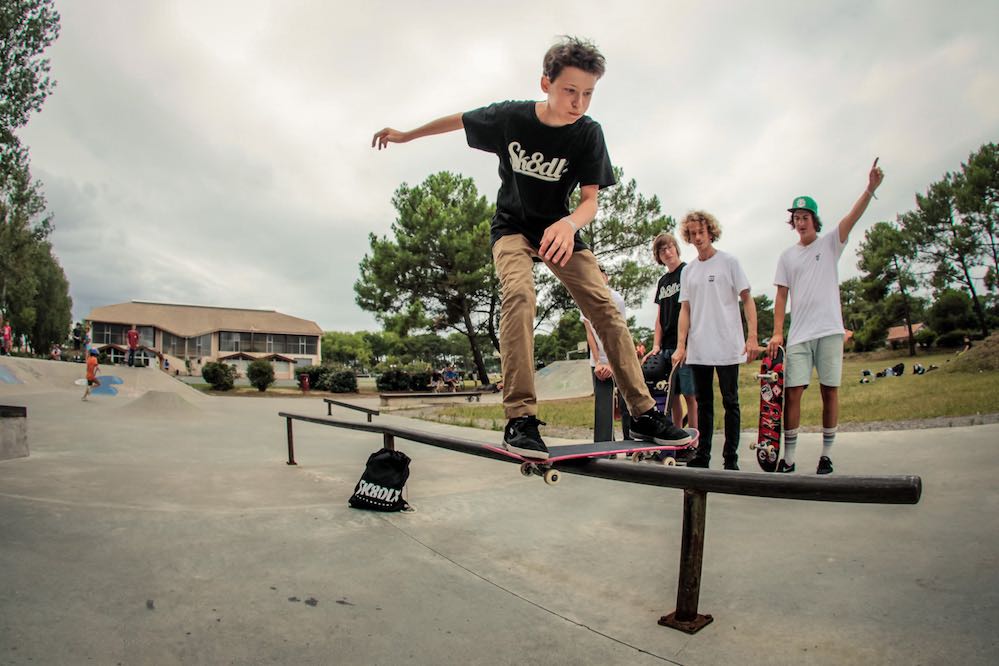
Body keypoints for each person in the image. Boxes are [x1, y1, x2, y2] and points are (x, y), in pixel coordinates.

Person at [372, 36, 689, 460]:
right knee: (519, 296)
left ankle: (643, 412)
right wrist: (407, 135)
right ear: (546, 83)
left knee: (604, 308)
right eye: (570, 91)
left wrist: (569, 222)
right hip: (512, 228)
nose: (579, 103)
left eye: (588, 94)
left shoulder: (588, 134)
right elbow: (459, 120)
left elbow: (591, 200)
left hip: (560, 228)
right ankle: (520, 418)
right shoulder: (511, 118)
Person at [767, 158, 885, 474]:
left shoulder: (831, 243)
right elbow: (781, 296)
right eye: (796, 218)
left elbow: (853, 217)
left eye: (805, 217)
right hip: (800, 335)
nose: (801, 222)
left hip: (830, 330)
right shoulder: (787, 256)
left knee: (829, 391)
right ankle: (789, 458)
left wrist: (869, 189)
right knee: (792, 393)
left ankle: (826, 454)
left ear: (814, 220)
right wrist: (778, 332)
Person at [672, 211, 760, 470]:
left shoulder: (729, 262)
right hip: (699, 347)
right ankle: (703, 455)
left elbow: (747, 299)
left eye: (701, 232)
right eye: (692, 234)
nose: (697, 238)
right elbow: (685, 310)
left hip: (727, 344)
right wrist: (681, 345)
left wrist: (752, 336)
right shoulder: (689, 272)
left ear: (710, 232)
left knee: (730, 401)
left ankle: (730, 459)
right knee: (703, 404)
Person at [649, 232, 698, 430]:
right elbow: (659, 316)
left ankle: (695, 438)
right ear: (658, 257)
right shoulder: (662, 282)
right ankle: (678, 434)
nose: (667, 252)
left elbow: (691, 308)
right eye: (662, 250)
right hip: (667, 345)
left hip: (686, 344)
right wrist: (656, 345)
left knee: (690, 394)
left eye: (669, 247)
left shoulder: (688, 271)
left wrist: (684, 344)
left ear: (676, 248)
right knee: (672, 394)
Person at [582, 265, 631, 441]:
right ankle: (605, 445)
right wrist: (599, 362)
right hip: (598, 362)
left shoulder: (615, 299)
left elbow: (619, 332)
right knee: (603, 404)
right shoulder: (585, 298)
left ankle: (629, 440)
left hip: (618, 357)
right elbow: (589, 333)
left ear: (606, 277)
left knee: (626, 402)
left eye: (600, 275)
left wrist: (611, 363)